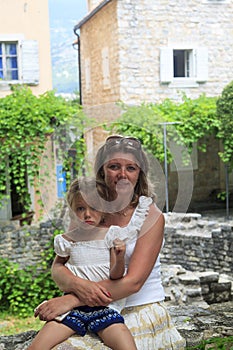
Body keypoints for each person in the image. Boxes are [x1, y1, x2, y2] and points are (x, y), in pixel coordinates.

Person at [35, 135, 186, 349]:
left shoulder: (150, 217)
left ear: (139, 174)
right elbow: (59, 267)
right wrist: (79, 286)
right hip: (86, 311)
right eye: (114, 166)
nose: (122, 175)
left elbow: (133, 282)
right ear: (102, 170)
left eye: (131, 168)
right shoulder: (87, 212)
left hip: (136, 310)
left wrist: (73, 299)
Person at [28, 177, 137, 350]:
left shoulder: (110, 235)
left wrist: (120, 255)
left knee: (126, 345)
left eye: (93, 207)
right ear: (72, 210)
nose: (87, 214)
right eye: (80, 208)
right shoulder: (67, 240)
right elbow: (58, 267)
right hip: (71, 309)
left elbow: (116, 276)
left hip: (104, 306)